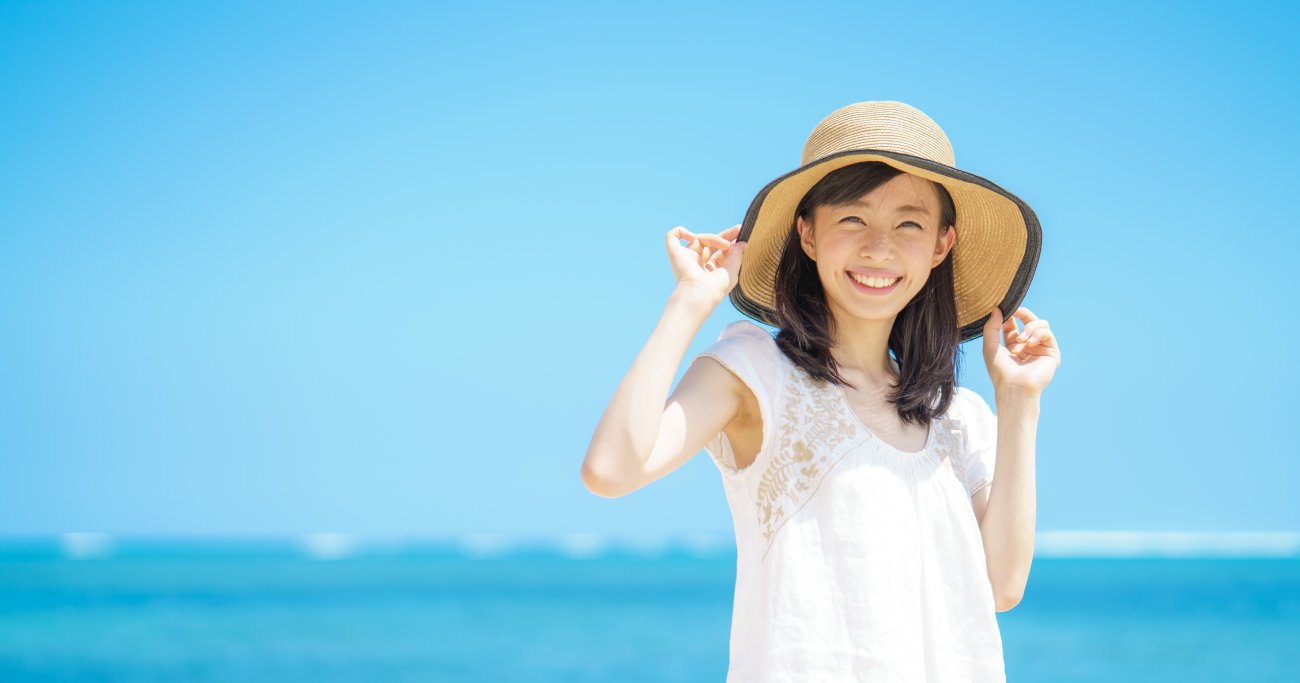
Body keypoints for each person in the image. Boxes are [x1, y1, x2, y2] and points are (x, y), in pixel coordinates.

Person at [581, 100, 1061, 682]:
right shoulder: (755, 371)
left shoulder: (962, 418)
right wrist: (690, 301)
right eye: (852, 219)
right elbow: (611, 469)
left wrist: (1020, 403)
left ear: (941, 245)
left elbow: (1001, 586)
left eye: (908, 224)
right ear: (807, 232)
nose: (878, 248)